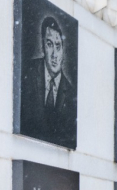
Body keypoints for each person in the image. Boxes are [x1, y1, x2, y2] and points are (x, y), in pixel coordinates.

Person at [20, 16, 76, 148]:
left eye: (58, 46)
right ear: (43, 47)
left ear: (63, 50)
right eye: (49, 45)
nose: (54, 55)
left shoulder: (71, 93)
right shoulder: (28, 73)